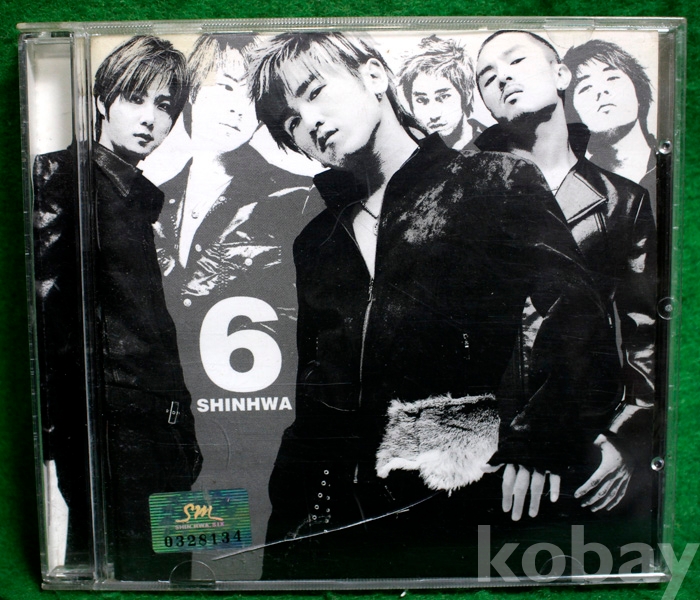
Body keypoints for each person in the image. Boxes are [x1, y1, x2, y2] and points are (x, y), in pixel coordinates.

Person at [248, 31, 613, 579]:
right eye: (291, 122)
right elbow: (316, 393)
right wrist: (290, 530)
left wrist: (542, 441)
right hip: (338, 513)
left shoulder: (492, 180)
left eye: (316, 92)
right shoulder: (317, 241)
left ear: (374, 75)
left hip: (462, 498)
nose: (310, 122)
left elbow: (577, 315)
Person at [33, 35, 201, 580]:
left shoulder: (133, 193)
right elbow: (47, 313)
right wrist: (60, 436)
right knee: (127, 575)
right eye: (135, 98)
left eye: (165, 105)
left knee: (175, 570)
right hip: (110, 432)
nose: (150, 118)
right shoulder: (64, 175)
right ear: (103, 100)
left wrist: (180, 425)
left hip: (159, 431)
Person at [154, 34, 320, 577]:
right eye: (224, 87)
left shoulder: (298, 198)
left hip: (256, 439)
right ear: (190, 91)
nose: (236, 108)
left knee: (230, 569)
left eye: (252, 98)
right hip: (173, 438)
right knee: (183, 570)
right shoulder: (148, 201)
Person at [475, 31, 657, 517]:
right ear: (487, 105)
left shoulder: (623, 201)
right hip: (491, 451)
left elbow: (643, 333)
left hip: (589, 447)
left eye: (515, 61)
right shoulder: (463, 193)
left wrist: (625, 438)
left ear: (561, 75)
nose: (502, 77)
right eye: (487, 77)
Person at [562, 40, 657, 206]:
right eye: (586, 87)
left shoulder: (672, 166)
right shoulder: (572, 186)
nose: (601, 91)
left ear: (639, 93)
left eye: (612, 78)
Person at [398, 35, 486, 152]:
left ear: (467, 94)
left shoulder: (496, 144)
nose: (434, 115)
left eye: (443, 97)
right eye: (421, 100)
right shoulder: (412, 153)